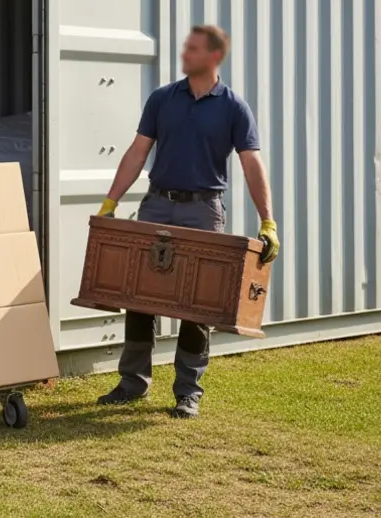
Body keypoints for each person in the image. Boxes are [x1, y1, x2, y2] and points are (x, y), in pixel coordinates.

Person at [95, 24, 281, 418]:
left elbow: (252, 165)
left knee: (199, 303)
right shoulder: (163, 99)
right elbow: (137, 151)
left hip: (204, 210)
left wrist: (268, 221)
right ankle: (133, 383)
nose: (185, 55)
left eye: (193, 50)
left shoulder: (233, 107)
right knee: (138, 295)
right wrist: (111, 201)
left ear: (214, 57)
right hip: (157, 205)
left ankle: (187, 391)